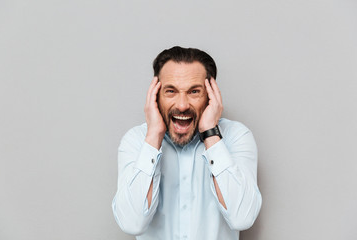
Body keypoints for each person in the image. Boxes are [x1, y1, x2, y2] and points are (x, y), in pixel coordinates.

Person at [112, 46, 262, 240]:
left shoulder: (236, 137)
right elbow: (132, 223)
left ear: (210, 95)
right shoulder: (135, 141)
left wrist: (210, 133)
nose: (182, 105)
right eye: (171, 91)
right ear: (155, 95)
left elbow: (242, 218)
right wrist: (153, 137)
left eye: (194, 92)